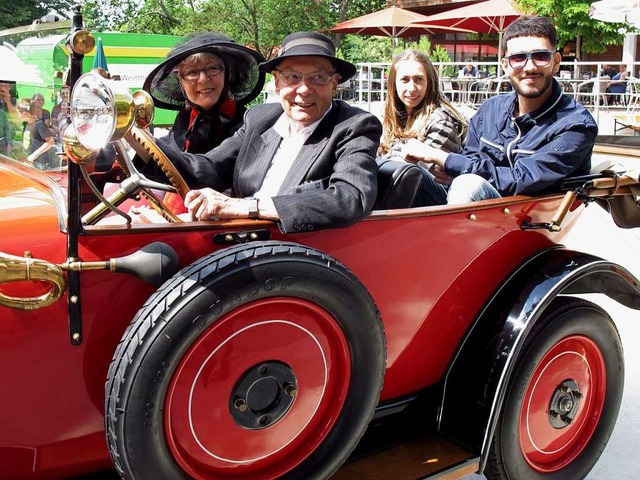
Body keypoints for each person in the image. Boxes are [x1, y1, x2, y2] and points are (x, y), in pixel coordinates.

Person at [140, 31, 381, 233]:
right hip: (234, 244)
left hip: (294, 260)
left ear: (334, 83)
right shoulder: (260, 118)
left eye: (318, 77)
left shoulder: (355, 125)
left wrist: (246, 207)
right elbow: (208, 169)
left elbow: (351, 198)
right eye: (292, 77)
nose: (304, 89)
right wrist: (136, 140)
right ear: (277, 82)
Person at [401, 15, 597, 204]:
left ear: (555, 63)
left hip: (531, 219)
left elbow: (523, 178)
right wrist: (453, 170)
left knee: (468, 184)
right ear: (505, 65)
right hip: (474, 209)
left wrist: (445, 158)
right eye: (518, 58)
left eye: (540, 56)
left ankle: (445, 237)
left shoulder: (576, 125)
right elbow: (471, 158)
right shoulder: (490, 110)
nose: (529, 67)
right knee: (398, 172)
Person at [141, 32, 265, 212]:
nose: (203, 79)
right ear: (180, 82)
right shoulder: (181, 125)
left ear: (227, 75)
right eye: (191, 73)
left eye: (212, 68)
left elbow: (208, 175)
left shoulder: (248, 124)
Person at [379, 49, 467, 206]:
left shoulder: (441, 120)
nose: (412, 88)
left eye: (419, 79)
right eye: (404, 80)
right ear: (394, 83)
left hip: (435, 204)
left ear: (429, 82)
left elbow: (415, 172)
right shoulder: (394, 118)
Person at [17, 98, 54, 170]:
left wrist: (34, 155)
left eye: (19, 114)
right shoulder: (28, 124)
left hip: (38, 165)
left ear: (25, 114)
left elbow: (50, 141)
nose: (18, 116)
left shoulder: (40, 125)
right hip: (30, 163)